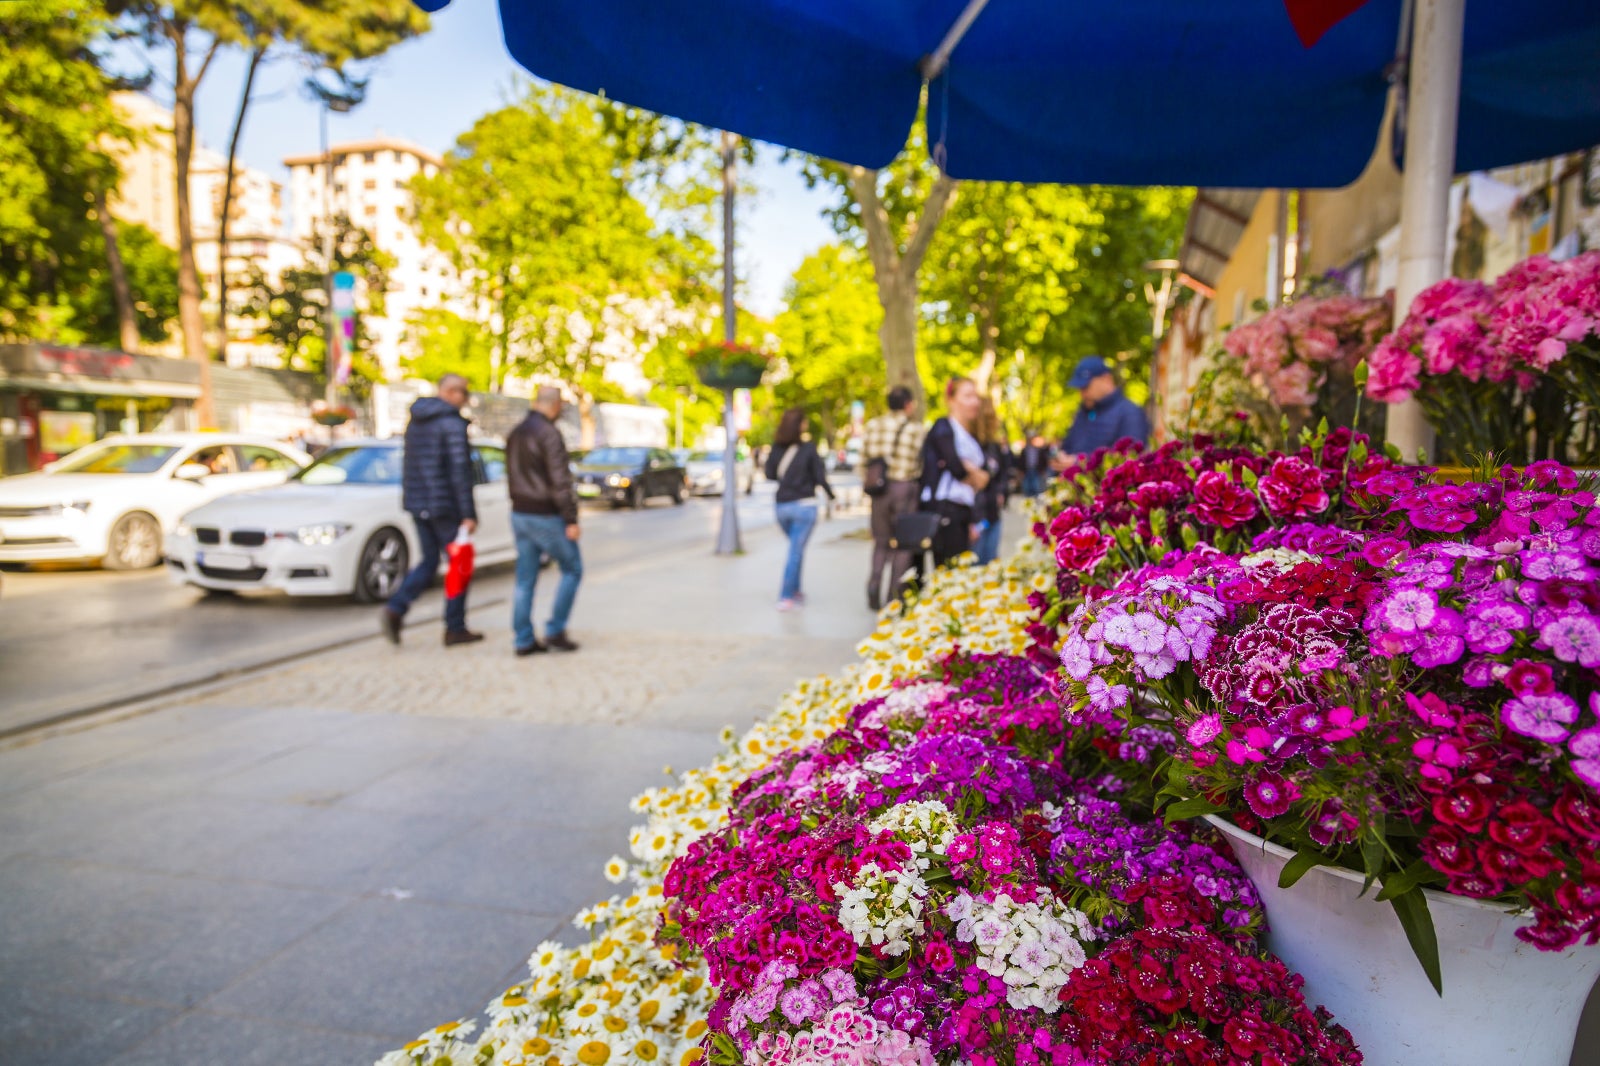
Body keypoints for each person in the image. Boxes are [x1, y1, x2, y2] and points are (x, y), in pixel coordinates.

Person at [381, 373, 480, 647]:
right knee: (460, 565)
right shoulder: (450, 423)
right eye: (463, 392)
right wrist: (468, 513)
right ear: (449, 391)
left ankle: (396, 608)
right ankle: (455, 626)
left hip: (419, 503)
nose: (465, 398)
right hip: (444, 505)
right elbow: (460, 471)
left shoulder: (417, 420)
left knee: (429, 562)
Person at [507, 385, 582, 656]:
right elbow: (560, 480)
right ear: (555, 404)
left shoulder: (517, 432)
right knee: (572, 568)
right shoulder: (549, 433)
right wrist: (570, 519)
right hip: (544, 515)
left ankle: (523, 639)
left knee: (524, 579)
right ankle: (555, 630)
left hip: (519, 513)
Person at [861, 385, 927, 610]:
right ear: (908, 404)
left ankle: (873, 583)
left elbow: (863, 460)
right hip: (904, 488)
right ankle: (894, 597)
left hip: (879, 490)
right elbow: (922, 463)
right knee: (903, 544)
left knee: (880, 542)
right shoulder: (916, 429)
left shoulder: (872, 425)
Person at [764, 408, 835, 611]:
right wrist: (832, 496)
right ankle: (786, 596)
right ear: (800, 425)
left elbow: (769, 473)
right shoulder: (808, 449)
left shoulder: (776, 448)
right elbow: (820, 477)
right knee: (795, 551)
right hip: (805, 506)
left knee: (796, 549)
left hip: (782, 506)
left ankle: (795, 590)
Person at [917, 376, 991, 570]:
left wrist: (970, 469)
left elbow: (984, 476)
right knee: (950, 573)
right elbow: (956, 467)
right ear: (951, 399)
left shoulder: (967, 434)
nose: (974, 402)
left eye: (976, 396)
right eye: (967, 396)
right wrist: (972, 471)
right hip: (946, 510)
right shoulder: (944, 427)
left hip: (963, 511)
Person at [1057, 355, 1151, 462]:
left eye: (1086, 387)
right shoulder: (1083, 413)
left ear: (1106, 379)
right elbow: (1069, 447)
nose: (1082, 394)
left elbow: (1131, 460)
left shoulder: (1131, 413)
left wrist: (1078, 463)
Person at [973, 398, 1009, 565]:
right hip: (975, 516)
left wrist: (1001, 492)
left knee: (990, 562)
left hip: (992, 512)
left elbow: (1001, 472)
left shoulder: (993, 446)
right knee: (975, 564)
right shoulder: (969, 444)